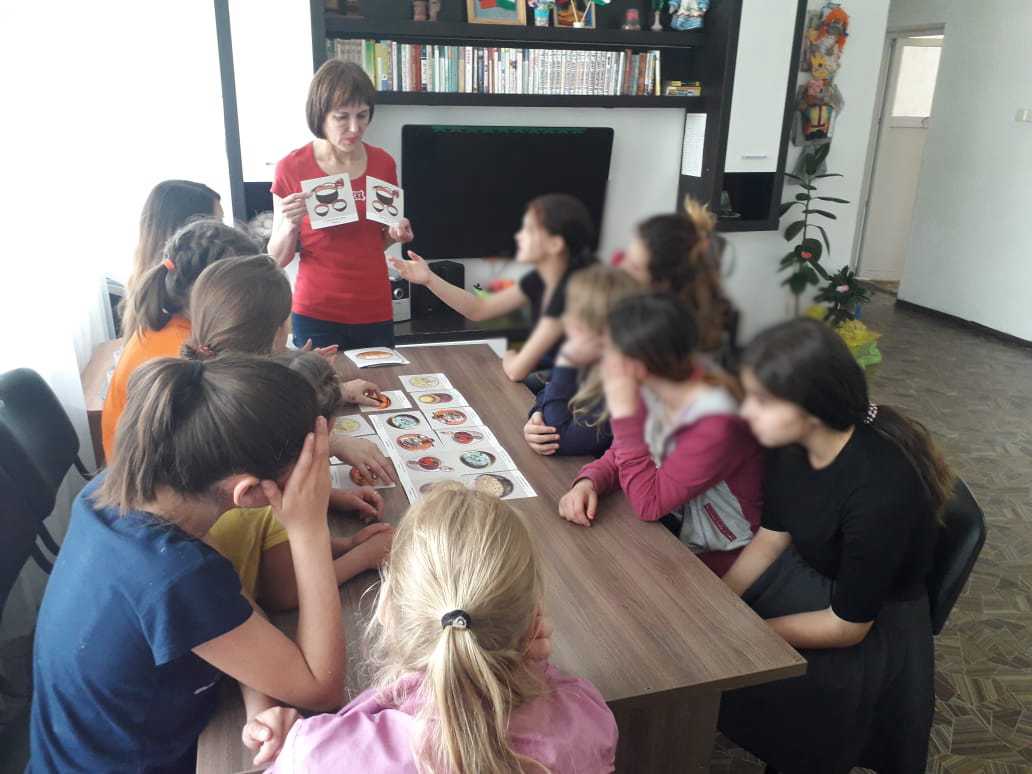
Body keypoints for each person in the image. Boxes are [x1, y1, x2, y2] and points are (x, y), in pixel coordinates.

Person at [30, 355, 344, 772]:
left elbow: (234, 605)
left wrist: (260, 700)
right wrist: (308, 529)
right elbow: (323, 688)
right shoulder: (176, 575)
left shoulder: (124, 490)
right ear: (249, 493)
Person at [718, 318, 952, 774]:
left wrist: (747, 633)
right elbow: (772, 537)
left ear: (813, 408)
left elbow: (847, 627)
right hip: (814, 581)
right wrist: (720, 604)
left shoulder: (881, 488)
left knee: (806, 739)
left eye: (762, 401)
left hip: (867, 626)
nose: (746, 412)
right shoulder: (788, 444)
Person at [266, 485, 618, 773]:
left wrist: (288, 754)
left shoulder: (317, 755)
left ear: (386, 607)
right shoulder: (586, 721)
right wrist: (533, 667)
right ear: (533, 625)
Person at [180, 257, 395, 611]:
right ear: (276, 333)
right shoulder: (269, 457)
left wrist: (343, 536)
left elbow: (259, 541)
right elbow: (284, 592)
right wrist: (366, 556)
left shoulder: (200, 403)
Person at [558, 294, 762, 576]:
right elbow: (626, 452)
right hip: (674, 524)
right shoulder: (663, 380)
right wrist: (590, 481)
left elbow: (648, 504)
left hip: (720, 552)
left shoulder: (716, 423)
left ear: (636, 365)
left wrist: (624, 413)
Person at [268, 60, 414, 351]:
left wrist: (395, 234)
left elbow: (375, 242)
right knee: (322, 381)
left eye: (362, 115)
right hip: (316, 310)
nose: (354, 128)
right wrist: (290, 225)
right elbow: (276, 259)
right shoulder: (292, 167)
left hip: (374, 307)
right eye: (341, 117)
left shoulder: (383, 163)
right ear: (320, 115)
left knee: (383, 380)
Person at [390, 193, 597, 385]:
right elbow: (479, 308)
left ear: (555, 244)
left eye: (528, 230)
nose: (519, 236)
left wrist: (509, 355)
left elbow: (516, 371)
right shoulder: (540, 279)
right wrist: (429, 279)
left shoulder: (572, 292)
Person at [101, 219, 261, 460]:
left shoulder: (167, 327)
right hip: (147, 477)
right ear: (213, 291)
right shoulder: (188, 354)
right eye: (247, 291)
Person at [522, 264, 642, 457]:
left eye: (572, 312)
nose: (565, 319)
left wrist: (565, 362)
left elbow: (560, 440)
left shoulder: (621, 383)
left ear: (599, 328)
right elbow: (546, 392)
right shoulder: (591, 358)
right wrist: (536, 416)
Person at [621, 198, 738, 362]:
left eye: (634, 267)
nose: (621, 268)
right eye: (625, 257)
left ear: (664, 283)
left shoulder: (661, 333)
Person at [120, 180, 223, 336]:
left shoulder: (149, 290)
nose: (225, 231)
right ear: (191, 233)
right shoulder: (186, 312)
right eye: (218, 224)